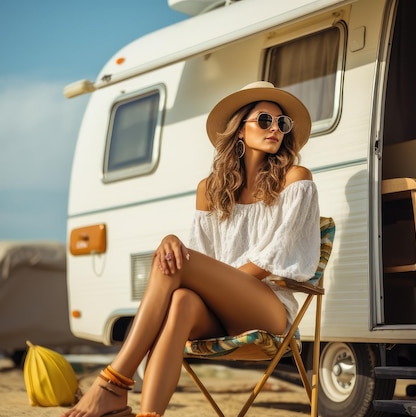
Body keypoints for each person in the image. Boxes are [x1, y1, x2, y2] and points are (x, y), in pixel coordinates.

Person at [61, 81, 320, 417]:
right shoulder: (209, 191)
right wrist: (173, 241)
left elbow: (277, 257)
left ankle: (112, 383)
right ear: (240, 130)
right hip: (218, 313)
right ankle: (148, 414)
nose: (276, 129)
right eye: (265, 120)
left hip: (267, 310)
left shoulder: (296, 179)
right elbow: (198, 258)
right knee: (181, 298)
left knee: (179, 265)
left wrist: (202, 275)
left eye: (282, 123)